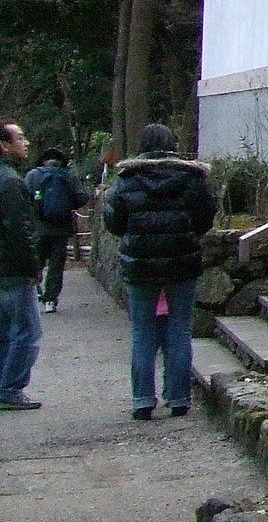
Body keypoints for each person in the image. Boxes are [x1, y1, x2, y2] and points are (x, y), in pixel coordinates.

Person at [102, 123, 217, 422]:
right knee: (180, 327)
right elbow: (205, 217)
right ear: (173, 145)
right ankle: (179, 398)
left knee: (143, 331)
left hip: (140, 264)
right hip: (182, 262)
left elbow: (114, 221)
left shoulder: (127, 180)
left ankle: (142, 400)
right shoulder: (191, 179)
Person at [0, 122, 43, 411]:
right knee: (27, 331)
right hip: (13, 268)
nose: (25, 143)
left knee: (5, 332)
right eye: (20, 138)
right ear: (4, 145)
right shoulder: (11, 183)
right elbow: (19, 230)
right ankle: (11, 387)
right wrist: (32, 266)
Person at [22, 146, 90, 314]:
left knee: (35, 261)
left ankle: (33, 292)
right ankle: (50, 300)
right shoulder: (68, 176)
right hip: (61, 229)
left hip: (38, 228)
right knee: (56, 265)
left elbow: (23, 196)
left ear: (43, 161)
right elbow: (82, 197)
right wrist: (67, 205)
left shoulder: (33, 175)